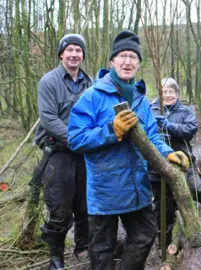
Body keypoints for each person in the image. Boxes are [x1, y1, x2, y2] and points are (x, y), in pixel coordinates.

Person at [67, 30, 189, 270]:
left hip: (137, 187)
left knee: (145, 234)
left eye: (133, 57)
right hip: (105, 189)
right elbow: (76, 138)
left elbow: (151, 135)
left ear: (138, 63)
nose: (128, 61)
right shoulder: (93, 96)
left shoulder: (142, 99)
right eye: (122, 55)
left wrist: (167, 153)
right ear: (112, 61)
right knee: (102, 249)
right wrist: (113, 131)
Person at [149, 78, 201, 240]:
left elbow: (190, 129)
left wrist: (170, 126)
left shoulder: (186, 111)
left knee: (200, 189)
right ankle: (165, 241)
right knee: (163, 205)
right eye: (164, 92)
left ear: (177, 94)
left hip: (184, 162)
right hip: (158, 166)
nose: (167, 95)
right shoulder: (151, 110)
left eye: (171, 92)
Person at [33, 33, 91, 269]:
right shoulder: (49, 81)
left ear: (83, 55)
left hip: (85, 154)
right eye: (70, 50)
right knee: (59, 208)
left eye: (79, 50)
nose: (75, 54)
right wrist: (77, 139)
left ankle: (82, 249)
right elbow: (48, 119)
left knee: (85, 206)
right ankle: (55, 257)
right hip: (58, 153)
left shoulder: (91, 83)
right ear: (61, 54)